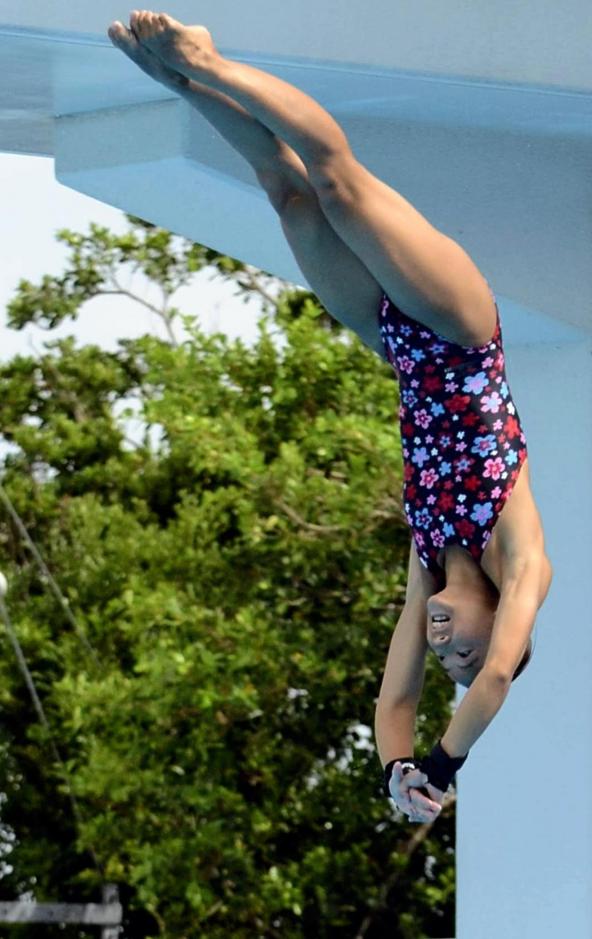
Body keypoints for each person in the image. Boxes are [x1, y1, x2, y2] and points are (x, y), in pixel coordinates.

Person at [107, 12, 554, 825]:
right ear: (504, 626)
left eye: (444, 651)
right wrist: (447, 764)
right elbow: (491, 684)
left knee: (290, 200)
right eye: (465, 647)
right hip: (457, 331)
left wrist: (400, 769)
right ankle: (207, 60)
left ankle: (182, 81)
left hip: (397, 345)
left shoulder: (428, 564)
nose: (447, 642)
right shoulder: (521, 559)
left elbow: (394, 700)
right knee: (339, 187)